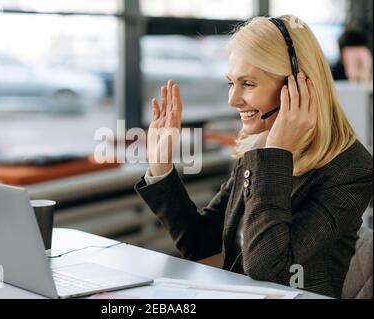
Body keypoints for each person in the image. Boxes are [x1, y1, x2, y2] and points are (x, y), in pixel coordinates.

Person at [134, 15, 373, 298]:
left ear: (297, 86)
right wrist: (161, 168)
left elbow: (267, 268)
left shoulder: (350, 170)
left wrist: (274, 156)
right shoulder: (255, 147)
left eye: (247, 84)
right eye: (230, 83)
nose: (232, 100)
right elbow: (200, 243)